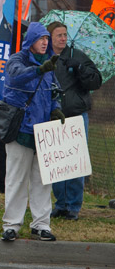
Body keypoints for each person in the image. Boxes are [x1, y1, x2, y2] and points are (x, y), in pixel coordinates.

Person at [1, 22, 63, 242]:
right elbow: (16, 77)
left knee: (43, 180)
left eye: (47, 38)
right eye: (41, 38)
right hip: (20, 130)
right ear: (30, 41)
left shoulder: (49, 65)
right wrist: (39, 69)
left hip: (43, 132)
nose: (46, 42)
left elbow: (54, 93)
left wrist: (56, 110)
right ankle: (11, 225)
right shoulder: (16, 59)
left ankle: (41, 224)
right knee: (16, 180)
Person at [47, 21, 102, 221]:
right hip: (53, 116)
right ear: (50, 38)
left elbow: (96, 80)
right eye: (58, 35)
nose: (62, 38)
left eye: (64, 35)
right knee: (56, 163)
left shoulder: (77, 56)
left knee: (74, 163)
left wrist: (80, 69)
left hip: (76, 115)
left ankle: (73, 206)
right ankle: (60, 204)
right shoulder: (46, 59)